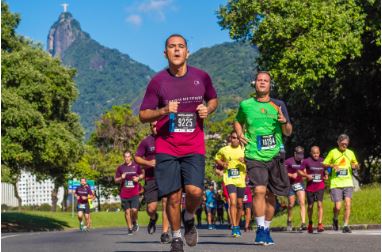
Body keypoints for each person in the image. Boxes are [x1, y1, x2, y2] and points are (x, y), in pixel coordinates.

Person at [139, 34, 218, 252]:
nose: (176, 50)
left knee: (195, 192)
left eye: (180, 46)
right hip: (167, 147)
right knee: (172, 196)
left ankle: (189, 217)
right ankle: (175, 237)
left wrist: (208, 109)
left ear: (187, 52)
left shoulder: (201, 77)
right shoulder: (158, 81)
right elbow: (143, 114)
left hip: (193, 146)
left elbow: (213, 99)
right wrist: (163, 110)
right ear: (165, 53)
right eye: (172, 47)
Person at [234, 71, 292, 246]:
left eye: (265, 81)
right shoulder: (246, 105)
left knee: (271, 194)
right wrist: (239, 132)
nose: (262, 83)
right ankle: (259, 228)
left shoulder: (278, 105)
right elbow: (238, 121)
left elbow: (288, 132)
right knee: (259, 190)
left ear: (270, 85)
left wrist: (283, 121)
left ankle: (267, 228)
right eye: (259, 80)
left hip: (275, 155)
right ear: (255, 84)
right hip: (253, 155)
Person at [134, 121, 171, 243]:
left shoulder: (168, 138)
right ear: (150, 127)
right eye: (153, 126)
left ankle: (165, 233)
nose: (155, 128)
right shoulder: (146, 141)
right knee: (151, 209)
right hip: (151, 179)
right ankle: (153, 218)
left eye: (157, 125)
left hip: (167, 177)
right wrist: (148, 163)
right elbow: (137, 157)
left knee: (166, 204)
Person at [323, 134, 359, 233]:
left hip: (348, 182)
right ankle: (335, 218)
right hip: (336, 183)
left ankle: (345, 225)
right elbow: (324, 164)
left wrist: (355, 165)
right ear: (338, 142)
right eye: (342, 144)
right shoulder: (333, 152)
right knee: (338, 206)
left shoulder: (350, 153)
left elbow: (356, 165)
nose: (344, 146)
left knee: (348, 204)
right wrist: (332, 165)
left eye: (346, 144)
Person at [215, 131, 246, 237]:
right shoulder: (224, 150)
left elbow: (252, 160)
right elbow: (217, 158)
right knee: (232, 202)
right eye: (233, 137)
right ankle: (235, 227)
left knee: (240, 204)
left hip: (241, 180)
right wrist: (223, 163)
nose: (235, 140)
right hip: (229, 179)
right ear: (230, 138)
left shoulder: (244, 149)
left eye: (237, 138)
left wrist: (245, 160)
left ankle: (237, 224)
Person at [114, 151, 144, 235]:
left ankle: (134, 221)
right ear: (124, 158)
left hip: (134, 192)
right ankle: (130, 228)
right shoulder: (120, 168)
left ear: (131, 157)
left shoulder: (136, 166)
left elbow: (142, 175)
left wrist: (138, 178)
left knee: (134, 210)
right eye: (125, 157)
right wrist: (121, 178)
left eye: (128, 156)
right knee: (127, 212)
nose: (127, 158)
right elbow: (116, 180)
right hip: (124, 193)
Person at [298, 146, 327, 233]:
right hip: (310, 187)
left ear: (319, 153)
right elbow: (299, 171)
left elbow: (327, 169)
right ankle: (310, 223)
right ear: (311, 153)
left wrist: (326, 174)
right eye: (314, 153)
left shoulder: (323, 160)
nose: (316, 155)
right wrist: (307, 176)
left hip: (320, 186)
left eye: (317, 153)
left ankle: (320, 224)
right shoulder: (307, 161)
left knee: (319, 204)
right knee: (310, 206)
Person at [285, 146, 307, 231]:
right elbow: (283, 172)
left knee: (302, 202)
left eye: (302, 154)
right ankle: (289, 220)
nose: (300, 155)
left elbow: (305, 171)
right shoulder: (288, 161)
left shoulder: (303, 161)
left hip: (299, 183)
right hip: (290, 184)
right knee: (291, 204)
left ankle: (303, 223)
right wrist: (291, 175)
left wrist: (304, 175)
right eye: (299, 154)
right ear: (295, 153)